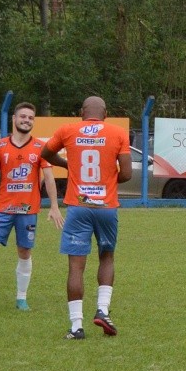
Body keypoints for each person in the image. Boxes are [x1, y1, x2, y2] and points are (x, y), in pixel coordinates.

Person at [44, 96, 133, 339]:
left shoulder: (67, 130)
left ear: (82, 112)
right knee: (106, 256)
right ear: (106, 113)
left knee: (75, 266)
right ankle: (102, 310)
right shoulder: (117, 132)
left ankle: (76, 326)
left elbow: (46, 153)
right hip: (106, 207)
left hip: (78, 207)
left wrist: (69, 166)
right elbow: (126, 173)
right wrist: (107, 180)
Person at [0, 102, 62, 311]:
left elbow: (48, 177)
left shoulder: (40, 147)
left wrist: (54, 206)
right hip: (3, 208)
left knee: (24, 252)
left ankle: (21, 297)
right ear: (14, 119)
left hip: (27, 210)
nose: (26, 120)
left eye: (30, 118)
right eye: (23, 116)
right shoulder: (1, 146)